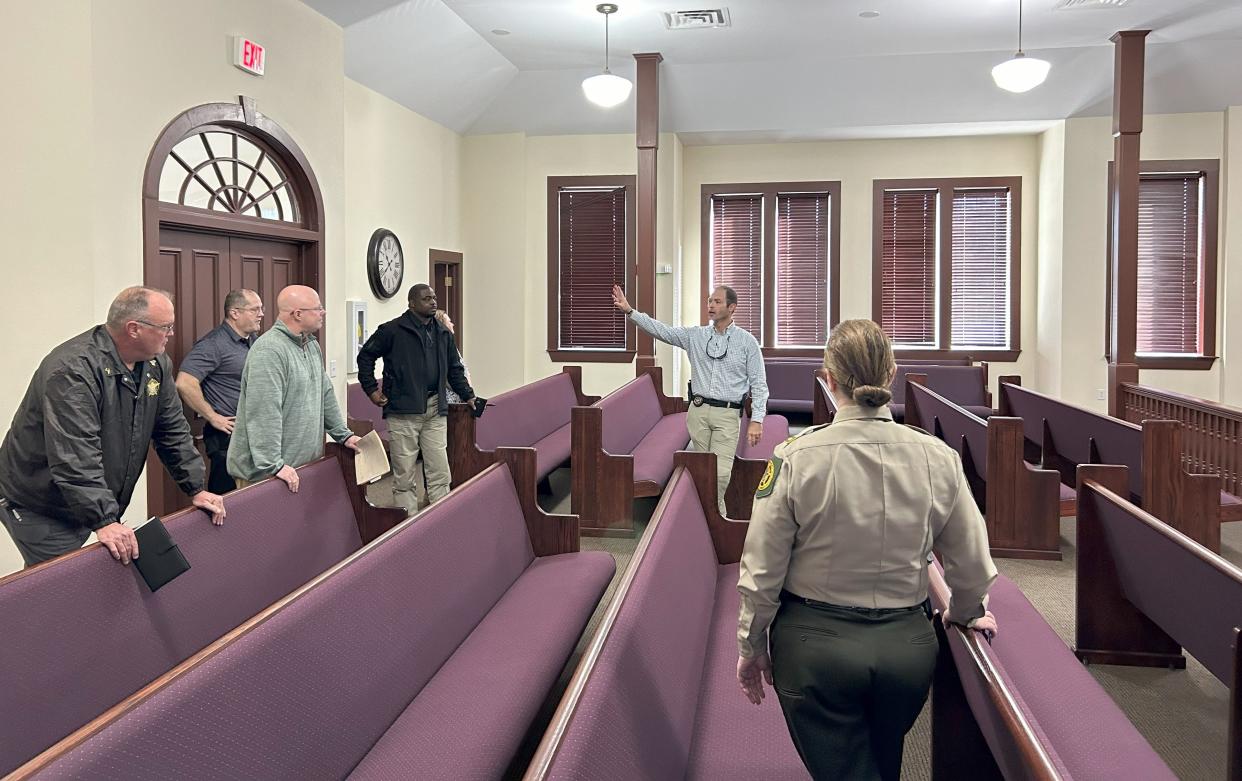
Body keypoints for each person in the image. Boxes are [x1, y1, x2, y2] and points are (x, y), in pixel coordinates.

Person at [735, 319, 998, 781]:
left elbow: (762, 569)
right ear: (891, 375)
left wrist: (752, 644)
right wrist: (966, 609)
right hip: (907, 650)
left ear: (828, 379)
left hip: (816, 652)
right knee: (880, 758)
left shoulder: (797, 457)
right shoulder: (938, 457)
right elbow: (972, 561)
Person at [0, 287, 227, 567]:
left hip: (85, 496)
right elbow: (75, 454)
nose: (171, 333)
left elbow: (172, 431)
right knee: (59, 589)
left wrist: (195, 488)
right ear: (134, 329)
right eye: (165, 327)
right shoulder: (73, 370)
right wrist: (104, 519)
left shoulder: (155, 364)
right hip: (40, 502)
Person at [611, 283, 768, 512]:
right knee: (700, 472)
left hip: (728, 414)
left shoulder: (747, 342)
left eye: (717, 302)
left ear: (732, 307)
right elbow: (660, 330)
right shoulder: (695, 335)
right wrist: (630, 311)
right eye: (709, 301)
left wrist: (757, 419)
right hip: (698, 412)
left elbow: (759, 384)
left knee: (721, 473)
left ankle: (715, 522)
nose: (711, 305)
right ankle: (704, 522)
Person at [227, 285, 359, 492]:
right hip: (267, 474)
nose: (323, 312)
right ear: (297, 314)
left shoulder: (311, 344)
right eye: (317, 308)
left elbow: (324, 393)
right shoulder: (269, 350)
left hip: (298, 467)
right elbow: (263, 412)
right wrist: (273, 464)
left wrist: (344, 435)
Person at [356, 284, 474, 514]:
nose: (433, 302)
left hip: (434, 409)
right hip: (403, 412)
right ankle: (406, 523)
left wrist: (468, 395)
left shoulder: (442, 332)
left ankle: (441, 517)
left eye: (434, 297)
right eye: (426, 298)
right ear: (411, 303)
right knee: (405, 473)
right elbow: (365, 357)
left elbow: (454, 369)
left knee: (439, 470)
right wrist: (371, 389)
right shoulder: (392, 330)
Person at [176, 289, 264, 494]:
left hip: (252, 433)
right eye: (255, 309)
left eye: (261, 308)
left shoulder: (253, 340)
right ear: (235, 313)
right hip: (226, 438)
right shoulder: (213, 344)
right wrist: (213, 416)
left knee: (252, 498)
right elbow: (184, 382)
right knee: (226, 500)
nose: (261, 314)